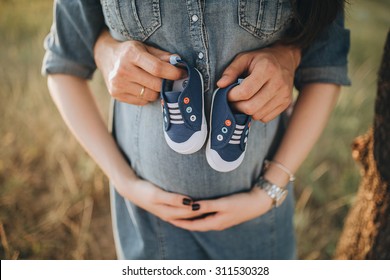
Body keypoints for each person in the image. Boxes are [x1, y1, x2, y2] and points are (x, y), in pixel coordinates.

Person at [42, 0, 350, 259]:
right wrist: (126, 183)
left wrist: (269, 190)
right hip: (148, 223)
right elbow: (64, 63)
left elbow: (326, 66)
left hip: (259, 223)